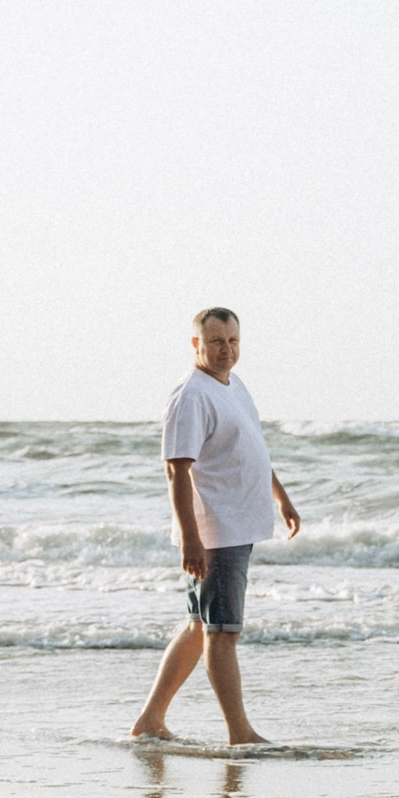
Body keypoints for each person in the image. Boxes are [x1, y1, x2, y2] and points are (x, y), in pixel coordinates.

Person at [129, 307, 301, 746]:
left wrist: (280, 497)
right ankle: (239, 733)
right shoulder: (191, 396)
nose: (226, 351)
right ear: (197, 345)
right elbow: (176, 470)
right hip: (217, 532)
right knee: (223, 633)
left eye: (233, 341)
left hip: (239, 524)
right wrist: (192, 537)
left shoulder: (233, 385)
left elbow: (251, 448)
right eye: (217, 342)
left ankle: (150, 721)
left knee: (198, 627)